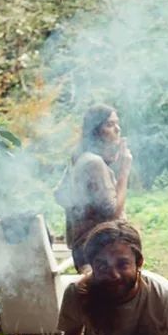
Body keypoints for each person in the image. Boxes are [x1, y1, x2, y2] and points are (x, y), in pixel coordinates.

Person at [54, 104, 132, 271]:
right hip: (100, 253)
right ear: (95, 130)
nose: (117, 129)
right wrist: (124, 172)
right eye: (109, 124)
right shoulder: (93, 163)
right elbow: (113, 213)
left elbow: (59, 195)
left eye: (117, 123)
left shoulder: (80, 157)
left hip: (85, 252)